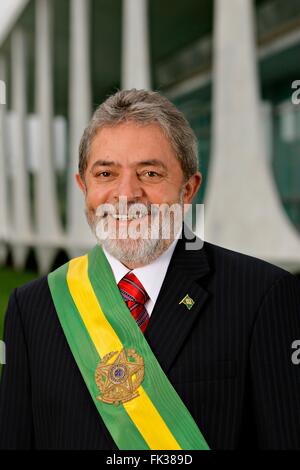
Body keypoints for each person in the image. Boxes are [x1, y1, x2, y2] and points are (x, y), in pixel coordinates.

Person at [0, 89, 300, 450]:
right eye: (106, 173)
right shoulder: (32, 309)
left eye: (150, 172)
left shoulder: (262, 296)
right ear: (83, 186)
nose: (126, 194)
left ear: (188, 189)